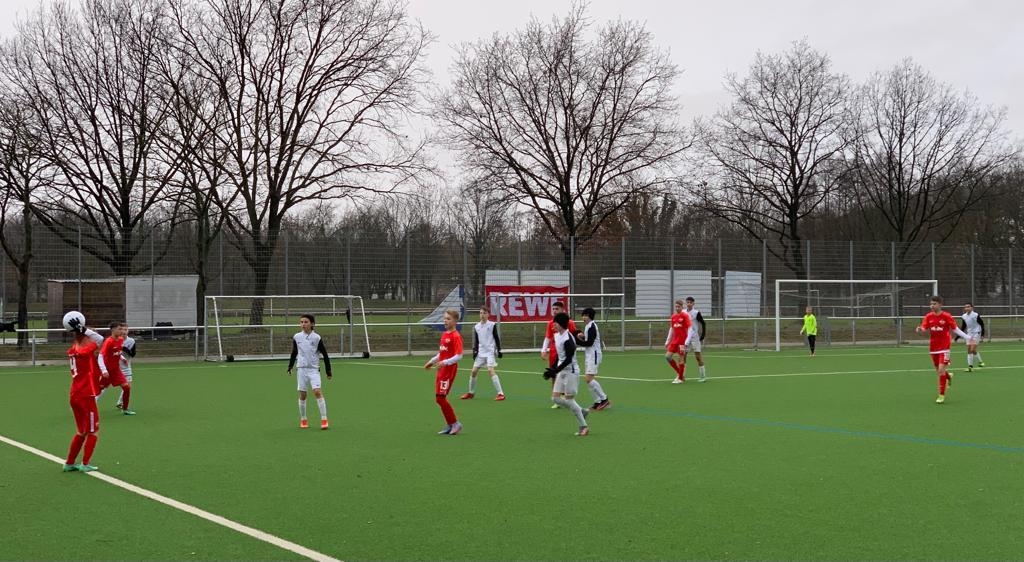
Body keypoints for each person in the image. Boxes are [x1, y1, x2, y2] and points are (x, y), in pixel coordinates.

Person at [62, 317, 104, 472]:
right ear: (85, 337)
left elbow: (95, 338)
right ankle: (85, 464)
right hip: (86, 394)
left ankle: (69, 463)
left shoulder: (74, 348)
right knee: (93, 430)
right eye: (89, 335)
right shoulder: (85, 351)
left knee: (81, 431)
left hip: (75, 394)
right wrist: (84, 329)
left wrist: (82, 330)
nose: (92, 336)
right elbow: (100, 339)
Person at [915, 295, 970, 404]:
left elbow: (955, 329)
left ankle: (941, 395)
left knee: (940, 371)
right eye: (931, 304)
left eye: (934, 304)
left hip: (944, 347)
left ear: (940, 304)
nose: (932, 306)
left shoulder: (946, 316)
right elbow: (924, 327)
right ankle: (948, 376)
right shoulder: (928, 316)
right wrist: (920, 329)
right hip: (933, 348)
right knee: (940, 371)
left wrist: (967, 337)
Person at [543, 312, 589, 436]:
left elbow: (568, 359)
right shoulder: (557, 335)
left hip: (571, 372)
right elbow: (560, 356)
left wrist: (555, 370)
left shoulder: (568, 339)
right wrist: (552, 369)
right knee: (555, 398)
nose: (553, 325)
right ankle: (581, 410)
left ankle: (583, 426)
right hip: (562, 370)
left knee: (569, 400)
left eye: (555, 323)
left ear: (561, 324)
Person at [286, 314, 332, 429]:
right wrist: (290, 366)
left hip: (313, 369)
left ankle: (324, 419)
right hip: (301, 369)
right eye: (301, 322)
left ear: (312, 324)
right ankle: (303, 419)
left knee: (317, 392)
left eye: (306, 322)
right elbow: (294, 352)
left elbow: (325, 354)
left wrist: (328, 370)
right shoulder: (297, 337)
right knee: (303, 394)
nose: (303, 324)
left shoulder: (317, 338)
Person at [425, 309, 463, 435]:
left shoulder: (456, 336)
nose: (445, 321)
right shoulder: (445, 334)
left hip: (449, 370)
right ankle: (450, 424)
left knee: (440, 398)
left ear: (455, 321)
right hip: (441, 370)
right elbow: (441, 353)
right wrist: (432, 361)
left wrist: (445, 362)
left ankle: (455, 424)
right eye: (445, 318)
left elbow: (459, 356)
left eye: (448, 319)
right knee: (439, 398)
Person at [461, 305, 505, 401]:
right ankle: (471, 393)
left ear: (488, 314)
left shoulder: (492, 325)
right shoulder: (476, 326)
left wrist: (499, 350)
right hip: (481, 353)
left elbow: (496, 338)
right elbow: (476, 340)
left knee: (490, 370)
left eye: (484, 313)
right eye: (481, 313)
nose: (482, 315)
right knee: (473, 371)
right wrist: (475, 350)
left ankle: (501, 394)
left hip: (489, 352)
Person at [541, 301, 577, 407]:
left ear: (562, 310)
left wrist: (579, 336)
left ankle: (567, 397)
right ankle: (557, 398)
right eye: (553, 309)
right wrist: (543, 350)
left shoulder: (569, 323)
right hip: (554, 352)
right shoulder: (550, 323)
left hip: (565, 353)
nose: (555, 311)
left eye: (557, 309)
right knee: (554, 373)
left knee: (565, 374)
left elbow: (574, 335)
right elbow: (548, 337)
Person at [97, 322, 135, 415]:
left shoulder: (120, 339)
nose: (121, 331)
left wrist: (122, 358)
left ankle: (125, 409)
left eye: (122, 329)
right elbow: (100, 356)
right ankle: (88, 406)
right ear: (113, 330)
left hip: (116, 370)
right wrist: (104, 370)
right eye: (119, 329)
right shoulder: (108, 341)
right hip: (107, 371)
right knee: (99, 390)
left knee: (126, 387)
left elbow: (117, 351)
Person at [576, 307, 610, 410]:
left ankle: (604, 399)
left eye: (586, 315)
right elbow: (589, 340)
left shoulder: (592, 326)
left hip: (594, 355)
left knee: (589, 379)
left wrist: (577, 341)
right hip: (590, 355)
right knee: (588, 380)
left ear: (590, 316)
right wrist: (582, 337)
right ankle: (597, 401)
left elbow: (589, 343)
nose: (583, 317)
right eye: (583, 315)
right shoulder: (588, 326)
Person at [665, 299, 692, 383]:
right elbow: (671, 329)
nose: (677, 308)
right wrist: (667, 341)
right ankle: (680, 374)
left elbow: (690, 328)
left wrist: (687, 341)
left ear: (682, 307)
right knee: (667, 357)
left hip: (682, 341)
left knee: (681, 358)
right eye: (676, 307)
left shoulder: (685, 316)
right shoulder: (673, 316)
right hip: (674, 341)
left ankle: (680, 378)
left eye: (678, 307)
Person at [682, 297, 708, 382]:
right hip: (686, 337)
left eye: (690, 302)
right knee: (683, 355)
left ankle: (702, 376)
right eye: (687, 302)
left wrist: (703, 335)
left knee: (698, 356)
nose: (689, 304)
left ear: (693, 303)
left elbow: (703, 323)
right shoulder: (683, 312)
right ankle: (682, 376)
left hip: (694, 337)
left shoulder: (696, 313)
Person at [958, 303, 986, 372]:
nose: (967, 308)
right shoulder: (964, 316)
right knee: (969, 350)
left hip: (976, 333)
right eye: (966, 307)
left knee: (972, 349)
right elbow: (963, 326)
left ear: (972, 308)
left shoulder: (975, 315)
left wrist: (982, 334)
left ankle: (980, 362)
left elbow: (982, 324)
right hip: (969, 334)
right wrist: (958, 336)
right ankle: (970, 366)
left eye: (968, 307)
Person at [115, 328, 137, 411]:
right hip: (114, 367)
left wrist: (124, 349)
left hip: (126, 367)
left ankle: (120, 402)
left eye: (126, 329)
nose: (124, 331)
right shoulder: (114, 340)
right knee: (104, 387)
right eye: (123, 330)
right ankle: (94, 400)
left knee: (127, 386)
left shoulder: (131, 341)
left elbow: (133, 354)